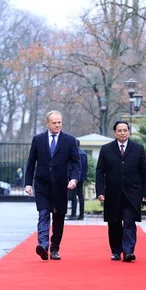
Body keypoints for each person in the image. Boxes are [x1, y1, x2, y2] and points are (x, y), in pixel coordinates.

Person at [25, 110, 81, 261]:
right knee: (43, 214)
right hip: (42, 185)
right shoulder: (38, 140)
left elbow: (76, 163)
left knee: (58, 218)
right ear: (47, 123)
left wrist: (74, 179)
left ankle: (54, 248)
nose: (57, 125)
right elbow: (31, 163)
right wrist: (28, 183)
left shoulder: (70, 140)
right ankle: (43, 246)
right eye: (54, 123)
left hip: (61, 185)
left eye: (59, 123)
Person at [96, 121, 146, 262]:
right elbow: (100, 172)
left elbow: (144, 172)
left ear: (129, 132)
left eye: (125, 130)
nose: (122, 133)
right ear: (115, 132)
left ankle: (128, 251)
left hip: (132, 193)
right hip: (113, 193)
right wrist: (100, 191)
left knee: (129, 221)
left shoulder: (138, 149)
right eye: (119, 130)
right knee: (114, 223)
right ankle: (116, 250)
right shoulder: (106, 149)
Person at [68, 139, 88, 220]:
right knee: (81, 195)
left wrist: (69, 176)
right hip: (82, 177)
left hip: (74, 177)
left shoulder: (72, 153)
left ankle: (73, 214)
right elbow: (86, 166)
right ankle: (81, 215)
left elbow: (71, 166)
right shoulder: (84, 153)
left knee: (73, 196)